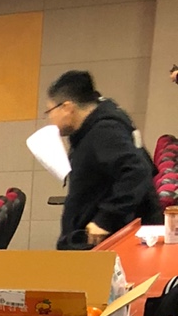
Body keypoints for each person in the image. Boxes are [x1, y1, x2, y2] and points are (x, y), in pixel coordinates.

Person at [45, 70, 162, 248]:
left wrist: (106, 219)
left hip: (111, 241)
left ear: (67, 108)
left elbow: (137, 171)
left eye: (50, 111)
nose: (50, 119)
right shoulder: (98, 126)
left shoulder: (104, 131)